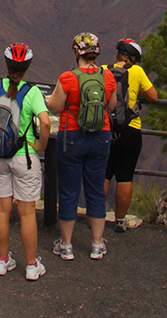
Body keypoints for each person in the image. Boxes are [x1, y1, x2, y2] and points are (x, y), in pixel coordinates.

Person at [0, 43, 50, 281]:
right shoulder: (32, 92)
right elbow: (45, 122)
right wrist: (41, 146)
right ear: (27, 67)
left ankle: (2, 261)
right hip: (24, 157)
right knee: (26, 213)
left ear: (6, 65)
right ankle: (32, 266)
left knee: (2, 211)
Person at [45, 32, 116, 262]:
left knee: (68, 191)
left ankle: (66, 246)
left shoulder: (68, 78)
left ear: (77, 53)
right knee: (96, 191)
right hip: (101, 137)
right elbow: (111, 106)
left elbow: (55, 107)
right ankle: (97, 245)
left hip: (71, 138)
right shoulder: (107, 77)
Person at [103, 38, 158, 232]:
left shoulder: (103, 70)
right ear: (133, 57)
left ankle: (98, 216)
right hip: (130, 129)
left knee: (105, 173)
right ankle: (120, 221)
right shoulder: (137, 72)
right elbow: (154, 96)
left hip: (106, 128)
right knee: (125, 176)